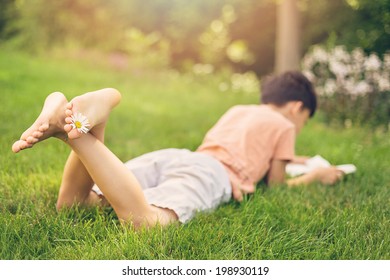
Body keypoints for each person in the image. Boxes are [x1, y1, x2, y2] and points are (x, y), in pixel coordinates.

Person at [11, 71, 344, 229]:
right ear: (298, 108)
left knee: (74, 205)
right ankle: (78, 134)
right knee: (146, 222)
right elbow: (276, 183)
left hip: (180, 157)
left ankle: (89, 120)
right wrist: (316, 175)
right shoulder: (285, 126)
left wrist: (298, 160)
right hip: (212, 174)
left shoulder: (240, 110)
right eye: (305, 120)